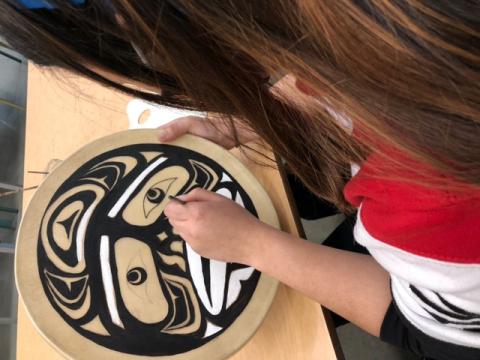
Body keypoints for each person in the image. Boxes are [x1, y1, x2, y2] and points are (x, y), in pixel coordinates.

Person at [1, 1, 479, 359]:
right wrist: (260, 122)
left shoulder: (435, 198)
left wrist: (257, 248)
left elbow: (427, 334)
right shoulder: (367, 40)